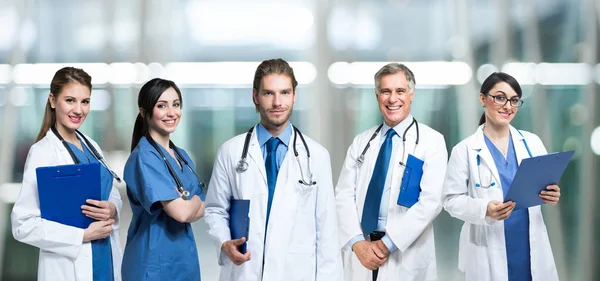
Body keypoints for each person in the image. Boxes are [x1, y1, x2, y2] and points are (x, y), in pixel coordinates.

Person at [204, 58, 343, 281]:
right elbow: (214, 210)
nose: (278, 102)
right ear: (255, 97)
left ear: (294, 95)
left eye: (285, 92)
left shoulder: (316, 156)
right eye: (268, 93)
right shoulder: (230, 152)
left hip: (296, 273)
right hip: (244, 272)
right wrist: (224, 242)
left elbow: (327, 231)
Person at [442, 72, 560, 281]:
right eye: (500, 97)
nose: (507, 106)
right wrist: (484, 209)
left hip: (529, 245)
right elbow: (451, 201)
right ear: (482, 99)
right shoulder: (465, 150)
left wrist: (551, 194)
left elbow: (545, 184)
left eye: (514, 100)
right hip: (488, 247)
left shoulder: (532, 142)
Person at [336, 63, 448, 281]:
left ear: (411, 94)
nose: (392, 98)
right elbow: (343, 196)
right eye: (385, 91)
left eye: (400, 91)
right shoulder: (362, 142)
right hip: (362, 251)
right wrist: (357, 243)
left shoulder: (431, 142)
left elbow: (431, 202)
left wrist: (387, 244)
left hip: (405, 254)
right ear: (377, 95)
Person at [11, 66, 123, 281]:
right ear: (53, 101)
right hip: (69, 268)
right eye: (70, 100)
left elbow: (111, 192)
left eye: (85, 101)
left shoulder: (92, 146)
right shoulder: (43, 152)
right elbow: (23, 224)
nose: (79, 110)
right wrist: (83, 235)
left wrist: (111, 208)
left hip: (105, 260)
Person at [121, 78, 205, 281]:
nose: (171, 113)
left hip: (184, 261)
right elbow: (183, 213)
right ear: (144, 112)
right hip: (153, 263)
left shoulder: (182, 156)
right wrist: (194, 201)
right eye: (161, 105)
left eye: (176, 104)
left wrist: (191, 204)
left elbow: (206, 207)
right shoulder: (145, 157)